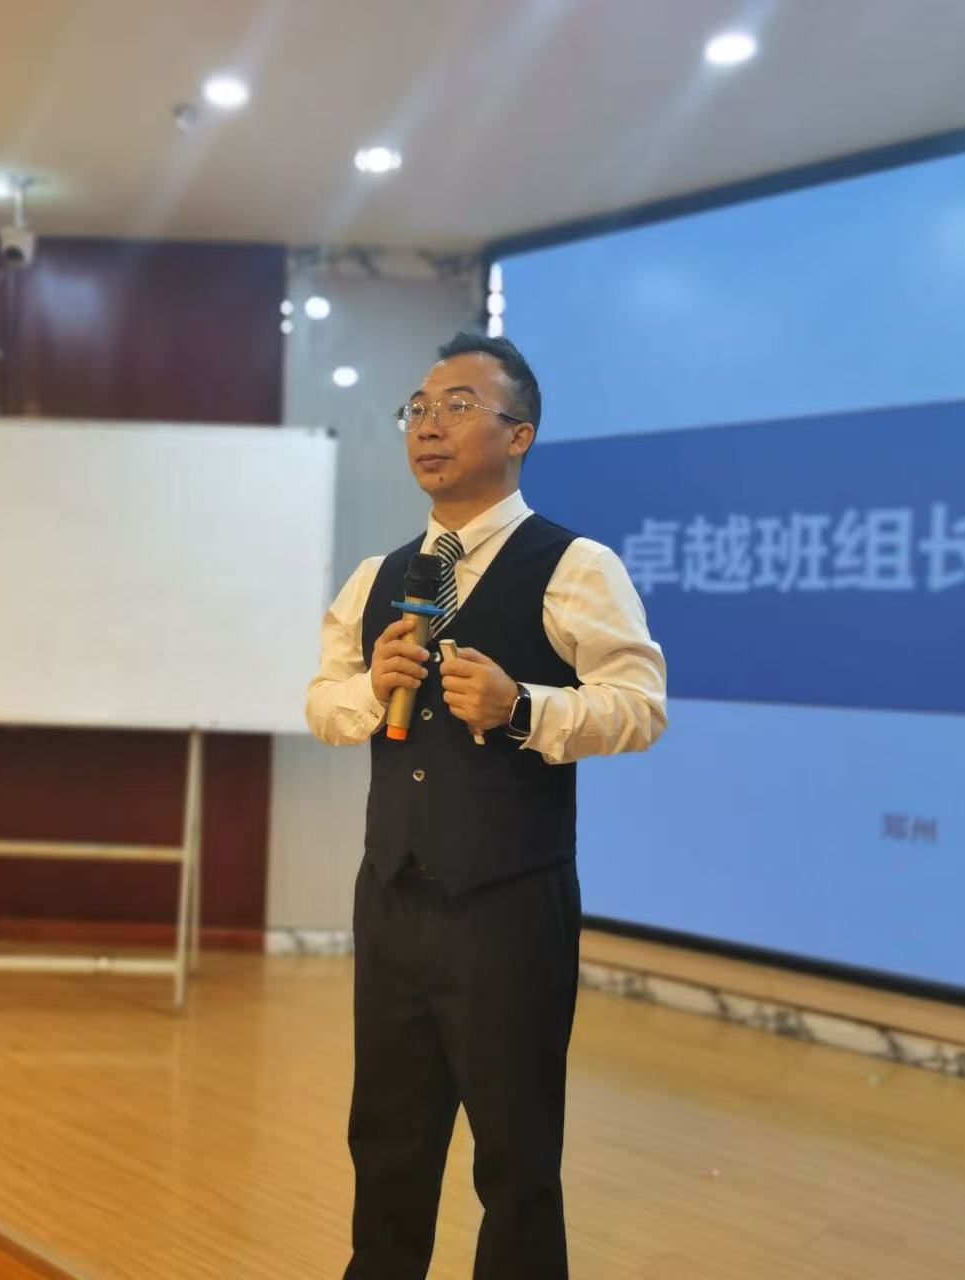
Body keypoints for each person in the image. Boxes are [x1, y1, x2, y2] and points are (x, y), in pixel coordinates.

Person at [306, 332, 668, 1278]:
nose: (429, 426)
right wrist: (369, 686)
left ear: (520, 435)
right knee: (385, 1143)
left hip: (508, 907)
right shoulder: (380, 577)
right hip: (392, 897)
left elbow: (639, 706)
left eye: (459, 406)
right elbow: (325, 703)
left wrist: (522, 707)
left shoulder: (575, 565)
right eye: (420, 409)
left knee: (515, 1157)